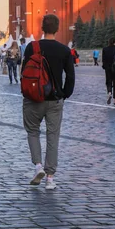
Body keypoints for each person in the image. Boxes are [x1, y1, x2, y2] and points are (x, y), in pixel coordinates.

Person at [21, 14, 75, 190]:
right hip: (54, 100)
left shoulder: (32, 47)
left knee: (33, 132)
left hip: (33, 99)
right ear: (57, 28)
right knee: (53, 136)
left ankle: (38, 166)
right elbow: (71, 76)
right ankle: (50, 178)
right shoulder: (64, 50)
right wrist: (65, 94)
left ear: (42, 28)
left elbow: (24, 72)